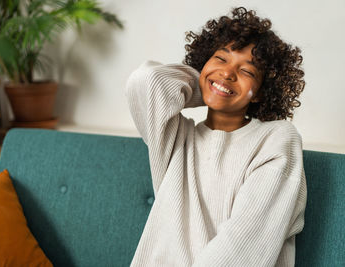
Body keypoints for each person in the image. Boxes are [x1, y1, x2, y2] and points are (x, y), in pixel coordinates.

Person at [125, 6, 307, 267]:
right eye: (221, 59)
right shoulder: (176, 137)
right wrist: (208, 85)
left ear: (259, 92)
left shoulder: (277, 139)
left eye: (247, 72)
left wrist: (219, 87)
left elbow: (244, 246)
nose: (228, 72)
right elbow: (146, 81)